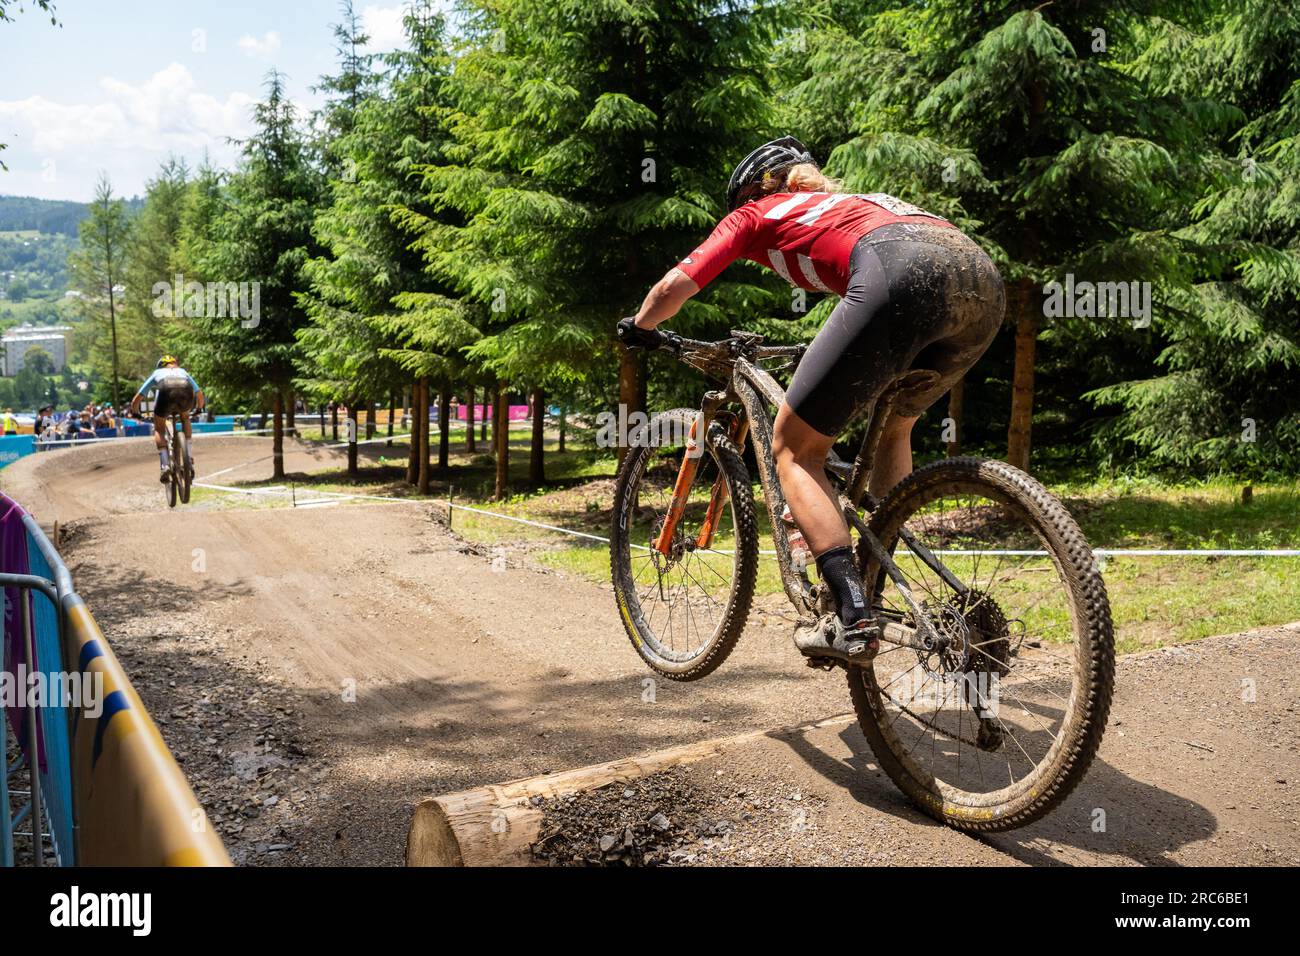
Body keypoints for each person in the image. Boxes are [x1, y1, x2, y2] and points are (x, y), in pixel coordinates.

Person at [618, 137, 1005, 664]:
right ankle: (887, 568)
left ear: (754, 190)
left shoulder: (755, 213)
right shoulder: (851, 204)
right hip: (978, 278)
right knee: (895, 425)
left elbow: (676, 284)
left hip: (895, 271)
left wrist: (641, 327)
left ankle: (854, 616)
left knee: (794, 450)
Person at [128, 355, 206, 483]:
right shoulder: (183, 372)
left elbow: (138, 397)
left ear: (161, 365)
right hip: (185, 392)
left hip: (165, 392)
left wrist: (135, 412)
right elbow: (199, 394)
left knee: (159, 428)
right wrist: (199, 408)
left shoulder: (157, 373)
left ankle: (165, 465)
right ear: (174, 363)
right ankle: (189, 457)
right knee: (185, 418)